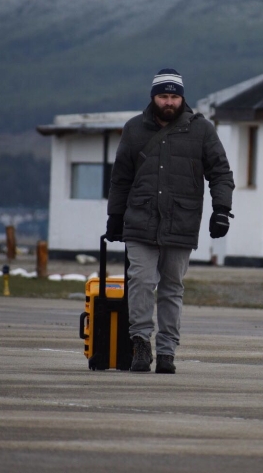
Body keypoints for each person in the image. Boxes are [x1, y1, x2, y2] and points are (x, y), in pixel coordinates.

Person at [105, 68, 235, 374]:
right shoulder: (134, 129)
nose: (169, 102)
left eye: (174, 96)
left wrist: (221, 210)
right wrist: (115, 216)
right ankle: (140, 343)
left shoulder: (202, 130)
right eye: (163, 96)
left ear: (182, 98)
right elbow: (120, 178)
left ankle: (166, 352)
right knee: (140, 280)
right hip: (140, 218)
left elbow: (220, 173)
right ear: (153, 97)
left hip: (182, 219)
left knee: (172, 287)